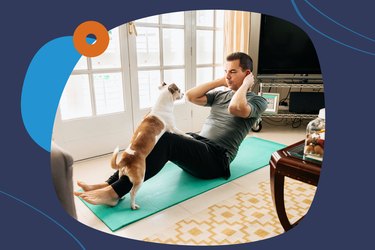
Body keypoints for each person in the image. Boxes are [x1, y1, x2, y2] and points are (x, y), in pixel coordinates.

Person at [74, 52, 268, 206]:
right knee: (160, 135)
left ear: (247, 73)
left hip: (217, 159)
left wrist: (245, 85)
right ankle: (110, 183)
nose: (227, 75)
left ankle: (114, 193)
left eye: (233, 71)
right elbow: (190, 96)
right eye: (226, 70)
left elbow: (236, 108)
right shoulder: (220, 95)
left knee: (168, 140)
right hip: (199, 143)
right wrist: (222, 80)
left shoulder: (258, 101)